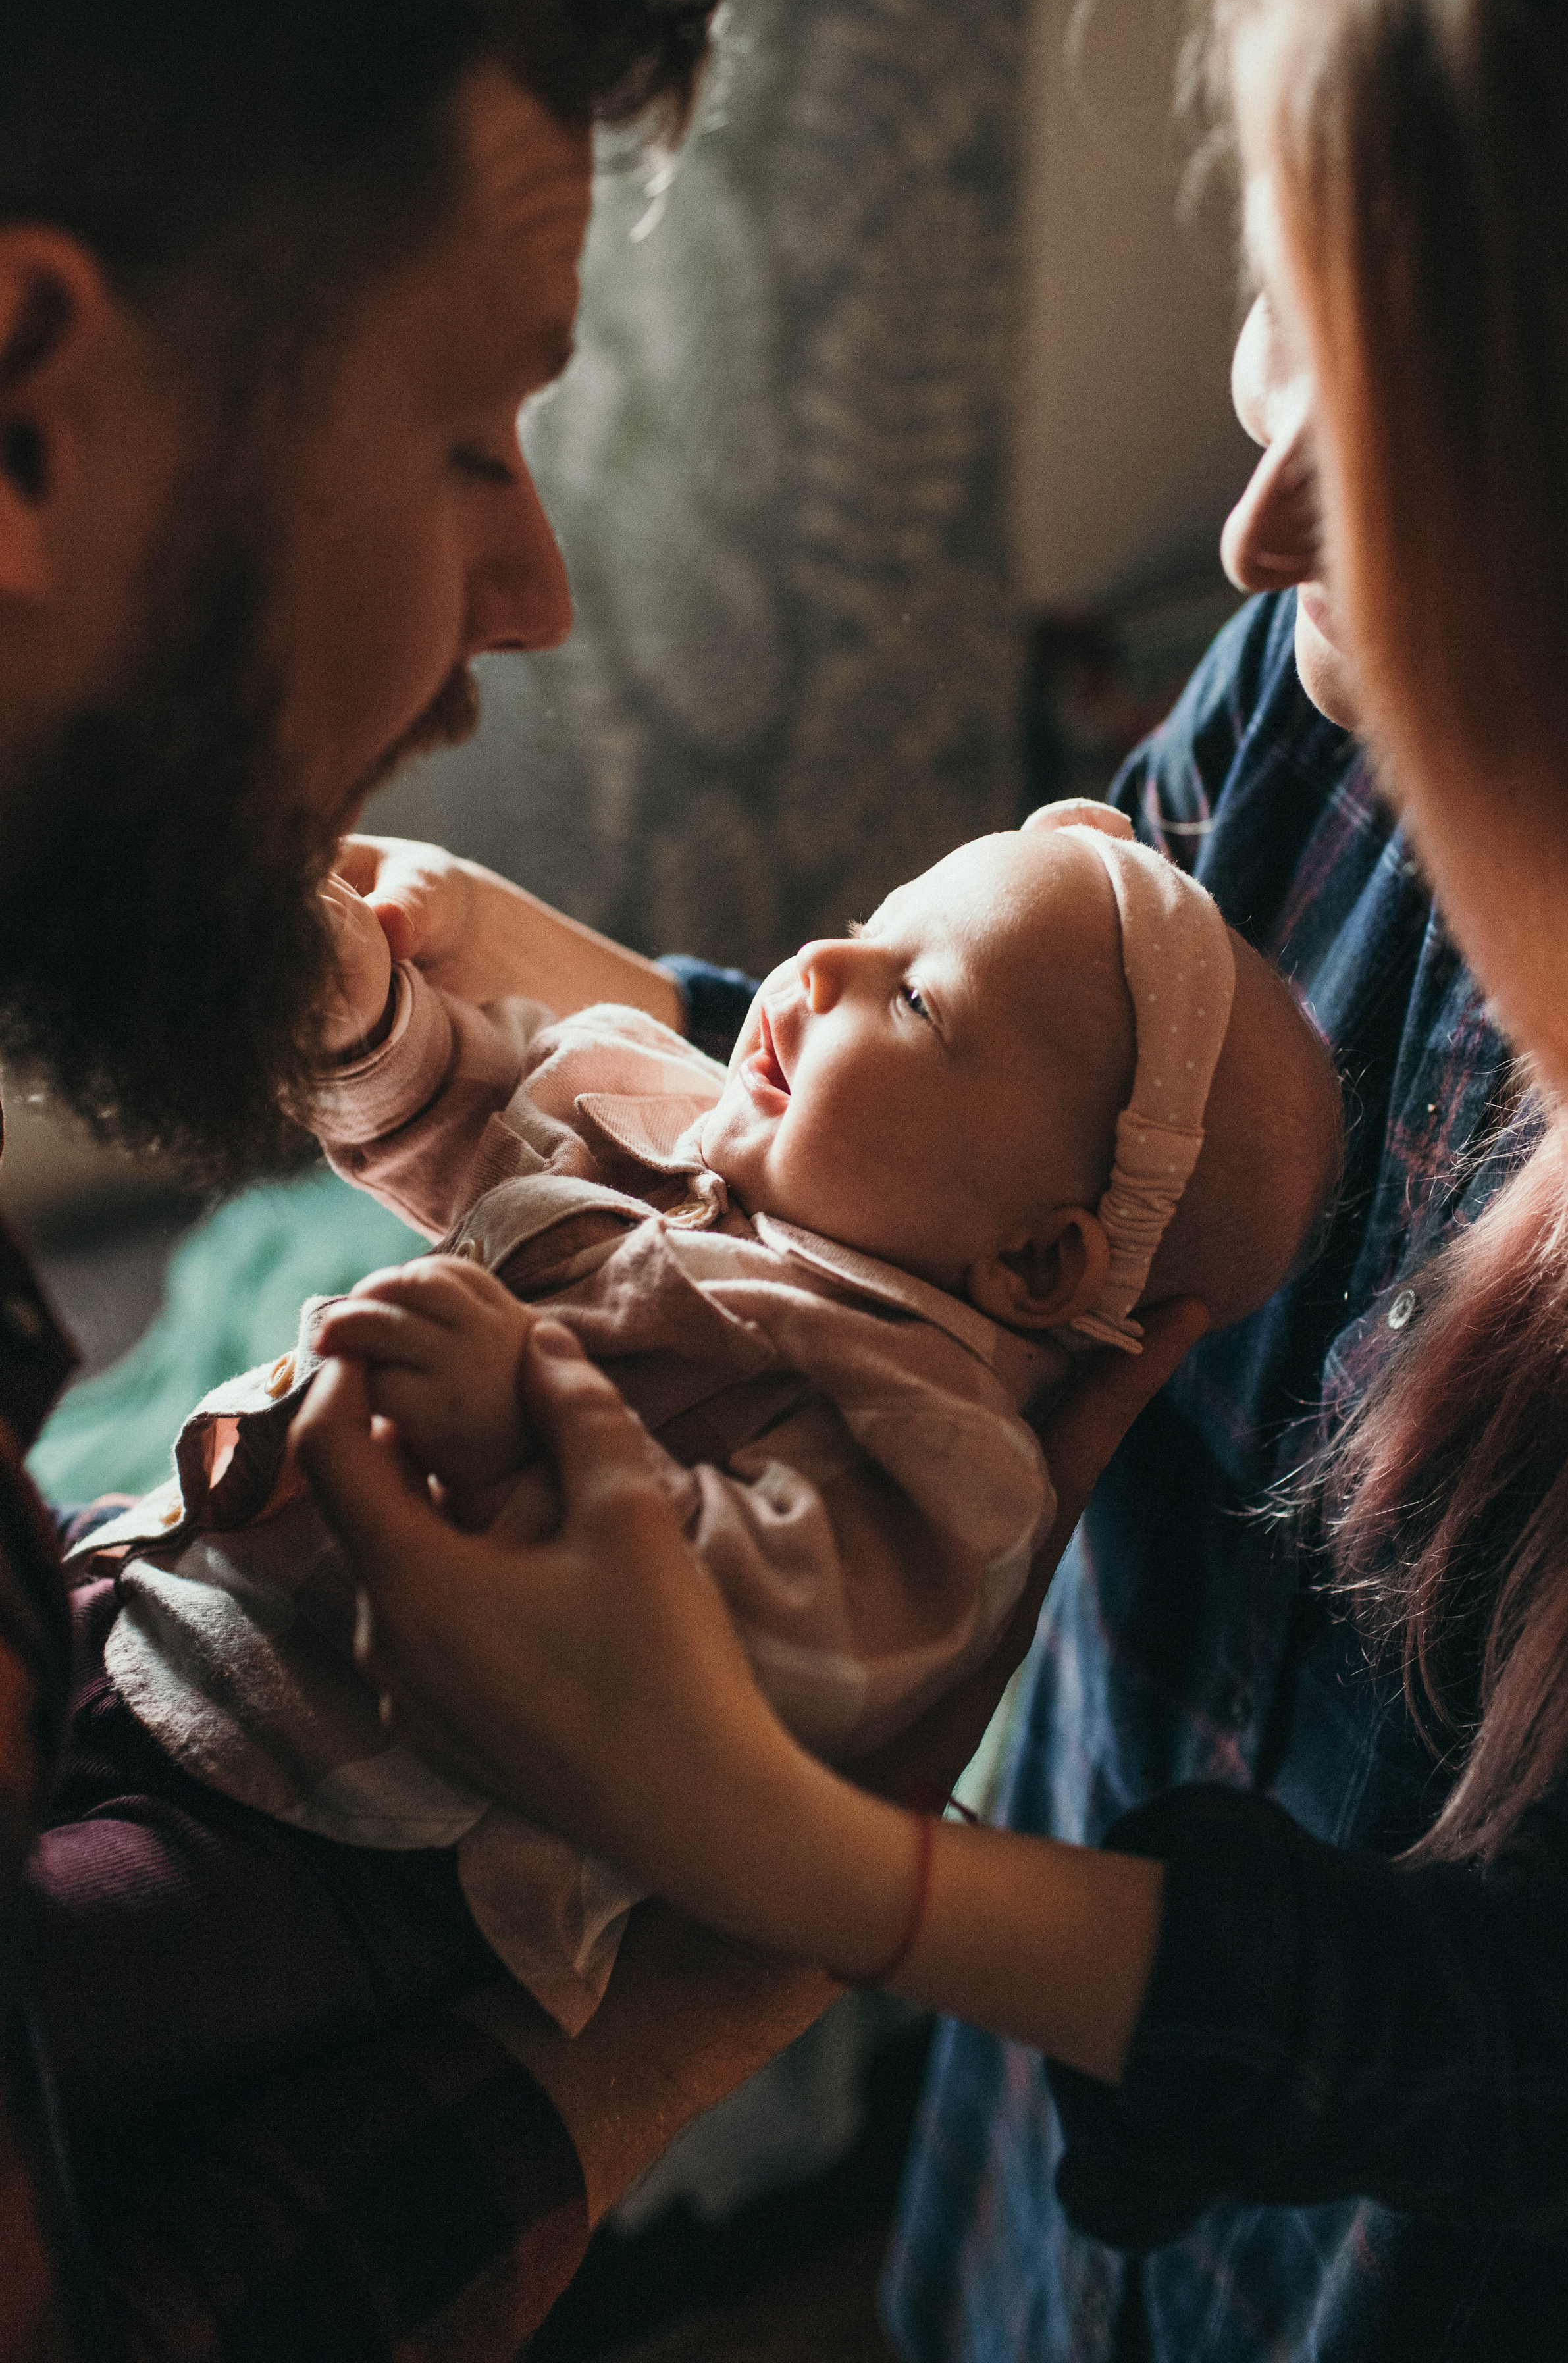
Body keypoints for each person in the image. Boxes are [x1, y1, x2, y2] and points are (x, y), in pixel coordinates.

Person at [291, 0, 1568, 2355]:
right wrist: (491, 998)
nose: (1256, 537)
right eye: (1280, 324)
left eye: (1392, 476)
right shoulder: (1315, 705)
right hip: (1035, 2201)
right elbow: (962, 1136)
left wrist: (794, 1856)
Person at [1, 0, 1176, 2355]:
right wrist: (702, 2004)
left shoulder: (919, 1416)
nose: (530, 598)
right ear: (27, 407)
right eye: (465, 437)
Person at [31, 806, 1340, 2114]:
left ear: (1036, 1261)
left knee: (41, 1994)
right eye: (858, 931)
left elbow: (757, 1649)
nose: (819, 971)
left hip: (330, 1841)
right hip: (162, 1584)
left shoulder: (935, 1452)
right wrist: (360, 1020)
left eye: (916, 1001)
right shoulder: (664, 1108)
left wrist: (523, 1438)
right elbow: (462, 1111)